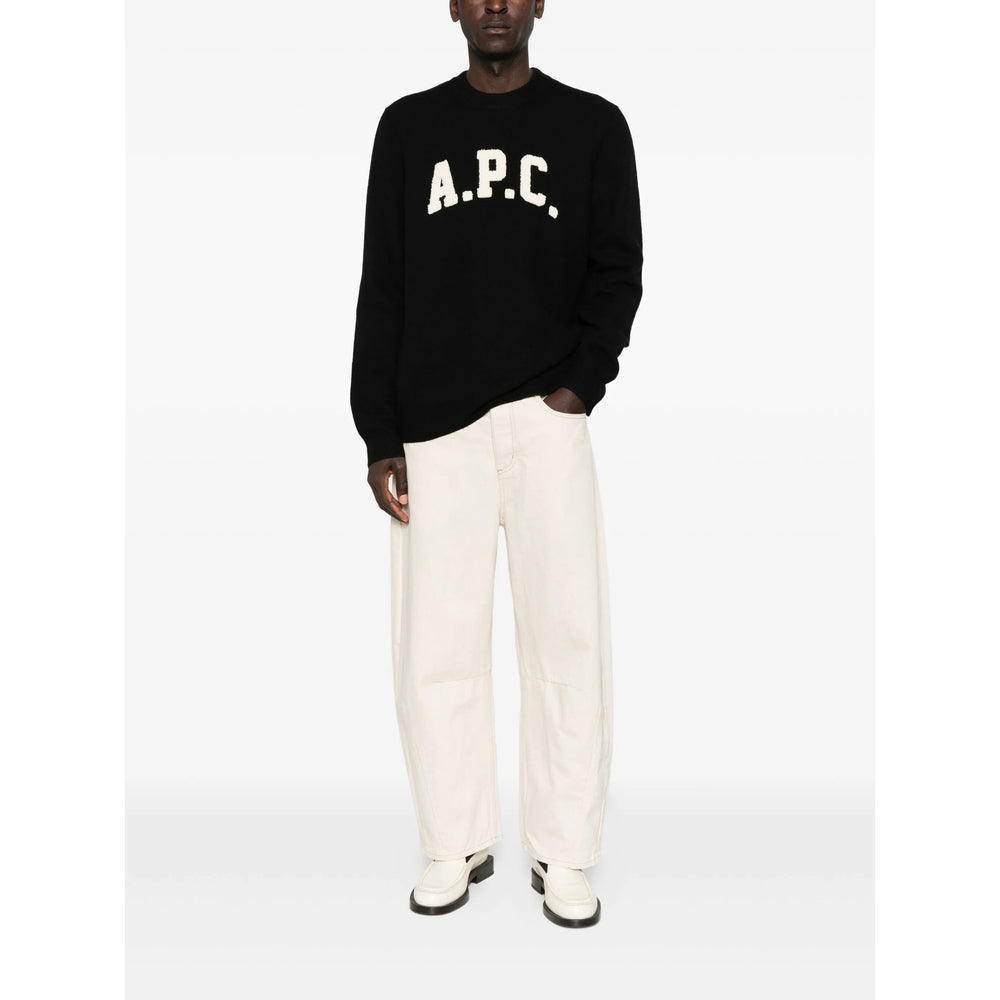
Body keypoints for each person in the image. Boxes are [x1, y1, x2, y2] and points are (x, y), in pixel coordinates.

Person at [349, 0, 643, 928]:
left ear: (540, 2)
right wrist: (379, 433)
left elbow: (618, 270)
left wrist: (579, 387)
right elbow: (383, 283)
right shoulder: (409, 128)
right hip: (436, 427)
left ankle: (566, 850)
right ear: (453, 5)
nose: (496, 6)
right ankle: (454, 840)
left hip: (546, 419)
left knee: (568, 640)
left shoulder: (592, 126)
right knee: (436, 647)